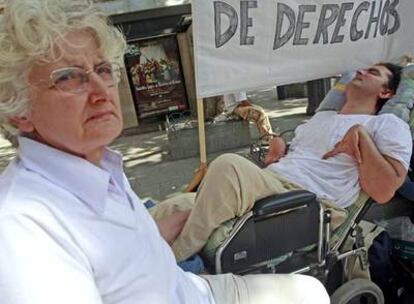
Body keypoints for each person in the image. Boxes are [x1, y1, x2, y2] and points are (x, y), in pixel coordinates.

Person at [0, 1, 329, 303]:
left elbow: (116, 252)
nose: (101, 91)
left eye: (102, 69)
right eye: (69, 78)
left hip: (192, 288)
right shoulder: (23, 229)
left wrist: (161, 232)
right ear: (18, 109)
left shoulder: (98, 166)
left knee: (311, 291)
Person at [150, 62, 412, 264]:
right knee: (172, 206)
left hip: (310, 203)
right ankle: (127, 256)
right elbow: (298, 159)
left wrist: (361, 136)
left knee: (227, 166)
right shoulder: (322, 118)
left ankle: (172, 262)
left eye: (373, 72)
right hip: (272, 183)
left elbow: (383, 190)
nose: (362, 71)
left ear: (386, 91)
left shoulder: (387, 125)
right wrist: (279, 148)